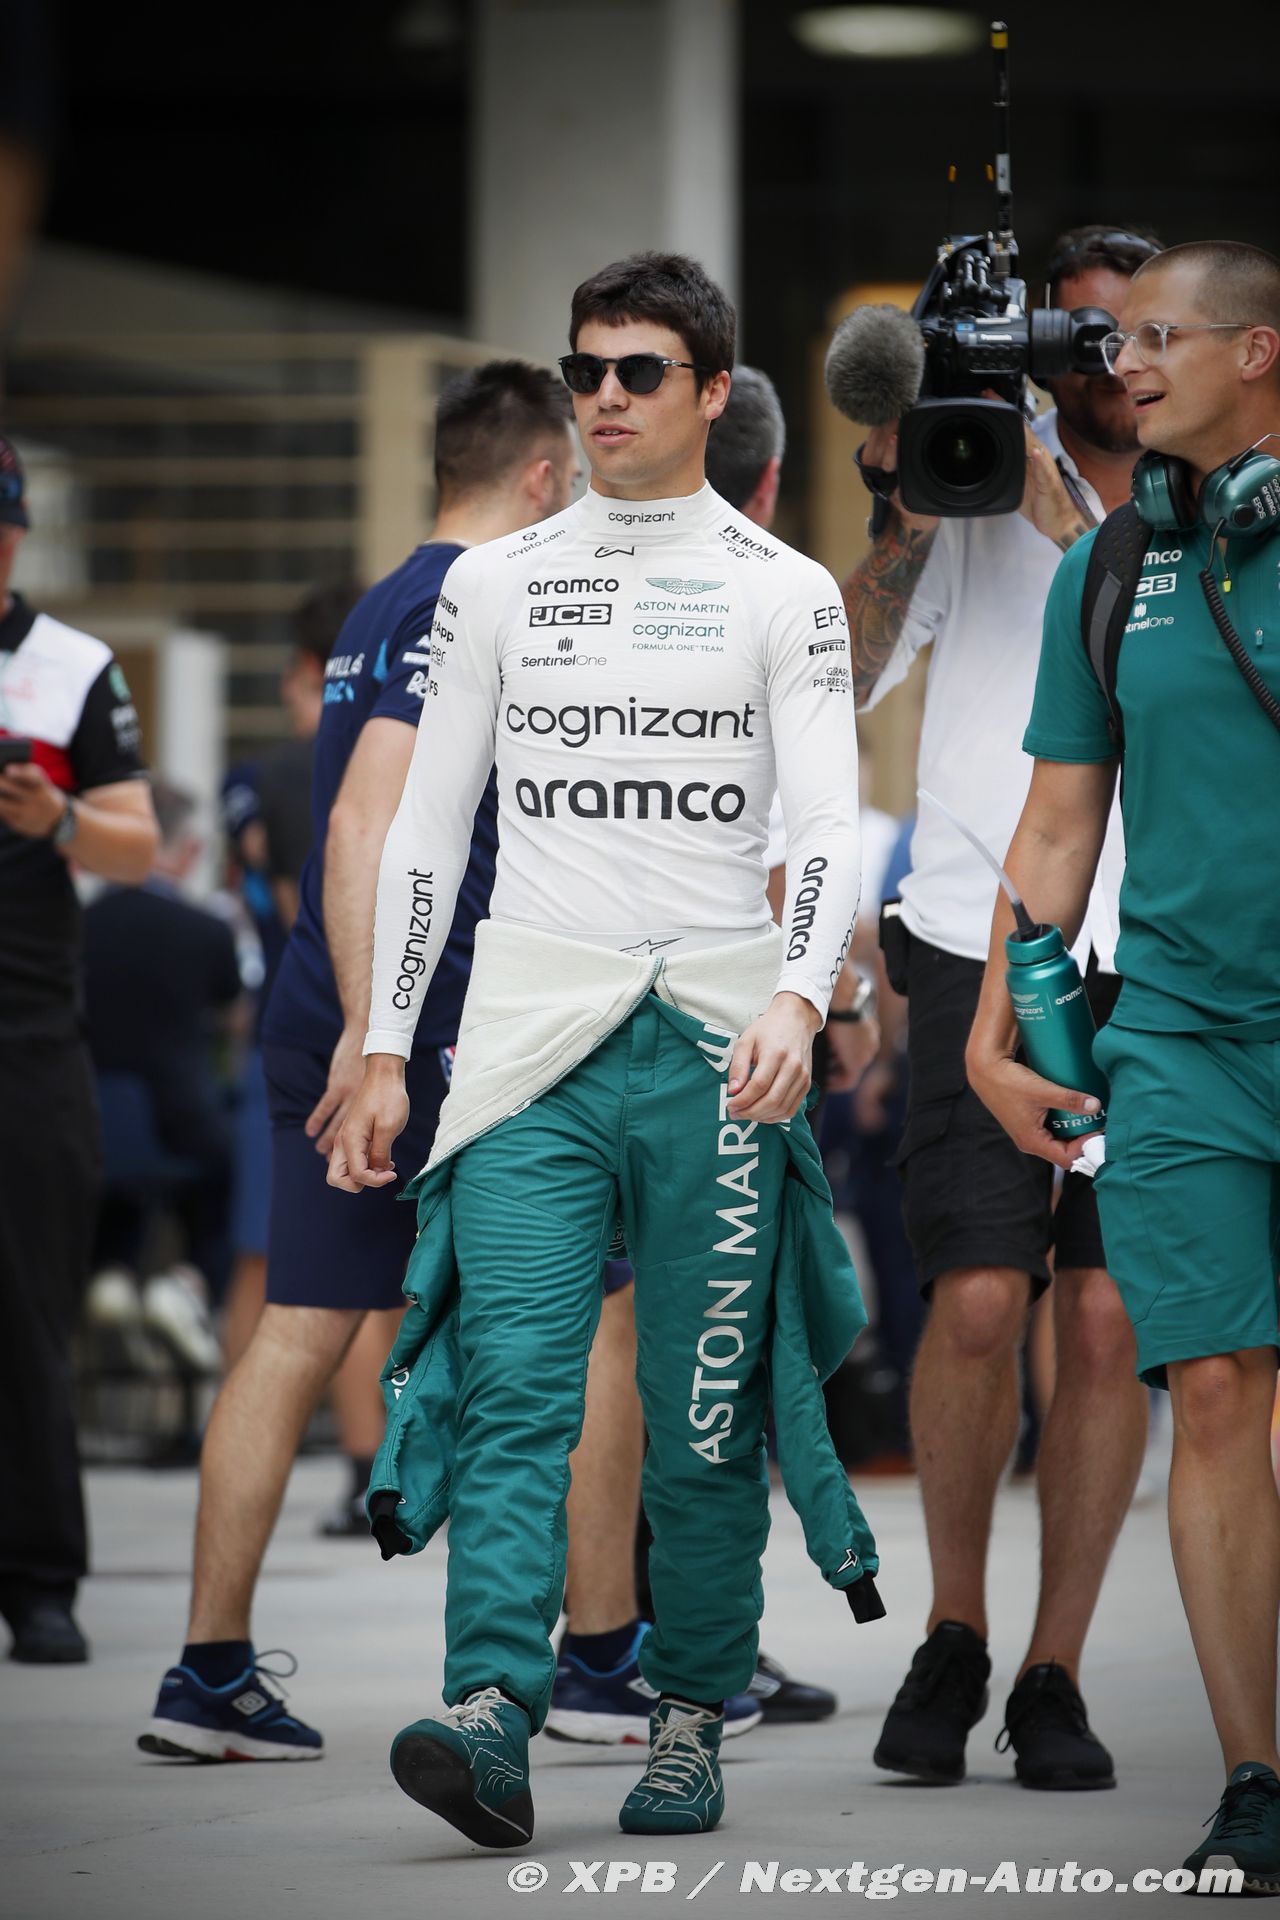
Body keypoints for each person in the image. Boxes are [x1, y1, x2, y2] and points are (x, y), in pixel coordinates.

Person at [332, 252, 880, 1845]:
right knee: (513, 1391)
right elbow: (429, 827)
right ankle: (491, 1715)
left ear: (711, 391)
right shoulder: (491, 583)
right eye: (585, 372)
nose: (606, 399)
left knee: (703, 1423)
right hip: (525, 1048)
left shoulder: (786, 589)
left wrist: (800, 998)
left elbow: (827, 824)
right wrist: (385, 1042)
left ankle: (689, 1720)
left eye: (642, 372)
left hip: (719, 1045)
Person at [136, 362, 579, 1760]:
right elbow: (362, 828)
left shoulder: (380, 602)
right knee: (579, 1325)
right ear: (543, 477)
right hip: (412, 1030)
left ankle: (208, 1671)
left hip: (340, 1015)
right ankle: (599, 1661)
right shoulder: (465, 599)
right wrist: (373, 1032)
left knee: (296, 1330)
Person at [967, 239, 1280, 1889]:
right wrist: (996, 1026)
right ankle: (1256, 1776)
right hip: (1179, 1039)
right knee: (1214, 1389)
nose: (1125, 364)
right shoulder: (1114, 567)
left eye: (1159, 336)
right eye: (1115, 339)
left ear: (1260, 350)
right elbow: (1057, 823)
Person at [843, 227, 1161, 1789]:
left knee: (1104, 1316)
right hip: (979, 930)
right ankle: (955, 1629)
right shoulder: (966, 484)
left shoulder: (1204, 503)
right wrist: (907, 499)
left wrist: (1066, 504)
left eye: (1126, 336)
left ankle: (1056, 1669)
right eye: (1077, 334)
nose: (1106, 362)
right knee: (977, 1300)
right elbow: (845, 670)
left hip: (1155, 944)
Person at [550, 365, 861, 1741]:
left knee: (614, 1335)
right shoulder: (767, 595)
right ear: (772, 482)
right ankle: (630, 1651)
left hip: (553, 1006)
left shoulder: (557, 585)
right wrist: (819, 994)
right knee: (681, 1341)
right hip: (694, 1022)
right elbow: (795, 840)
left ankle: (636, 1643)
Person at [0, 430, 159, 1662]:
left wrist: (57, 818)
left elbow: (136, 846)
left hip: (25, 1033)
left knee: (26, 1313)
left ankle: (39, 1581)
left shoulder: (70, 668)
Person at [84, 778, 244, 1370]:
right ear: (186, 849)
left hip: (91, 1122)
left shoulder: (77, 926)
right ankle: (189, 1282)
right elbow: (234, 1014)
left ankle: (111, 1274)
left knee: (120, 1178)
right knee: (232, 1170)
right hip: (182, 1120)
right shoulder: (204, 931)